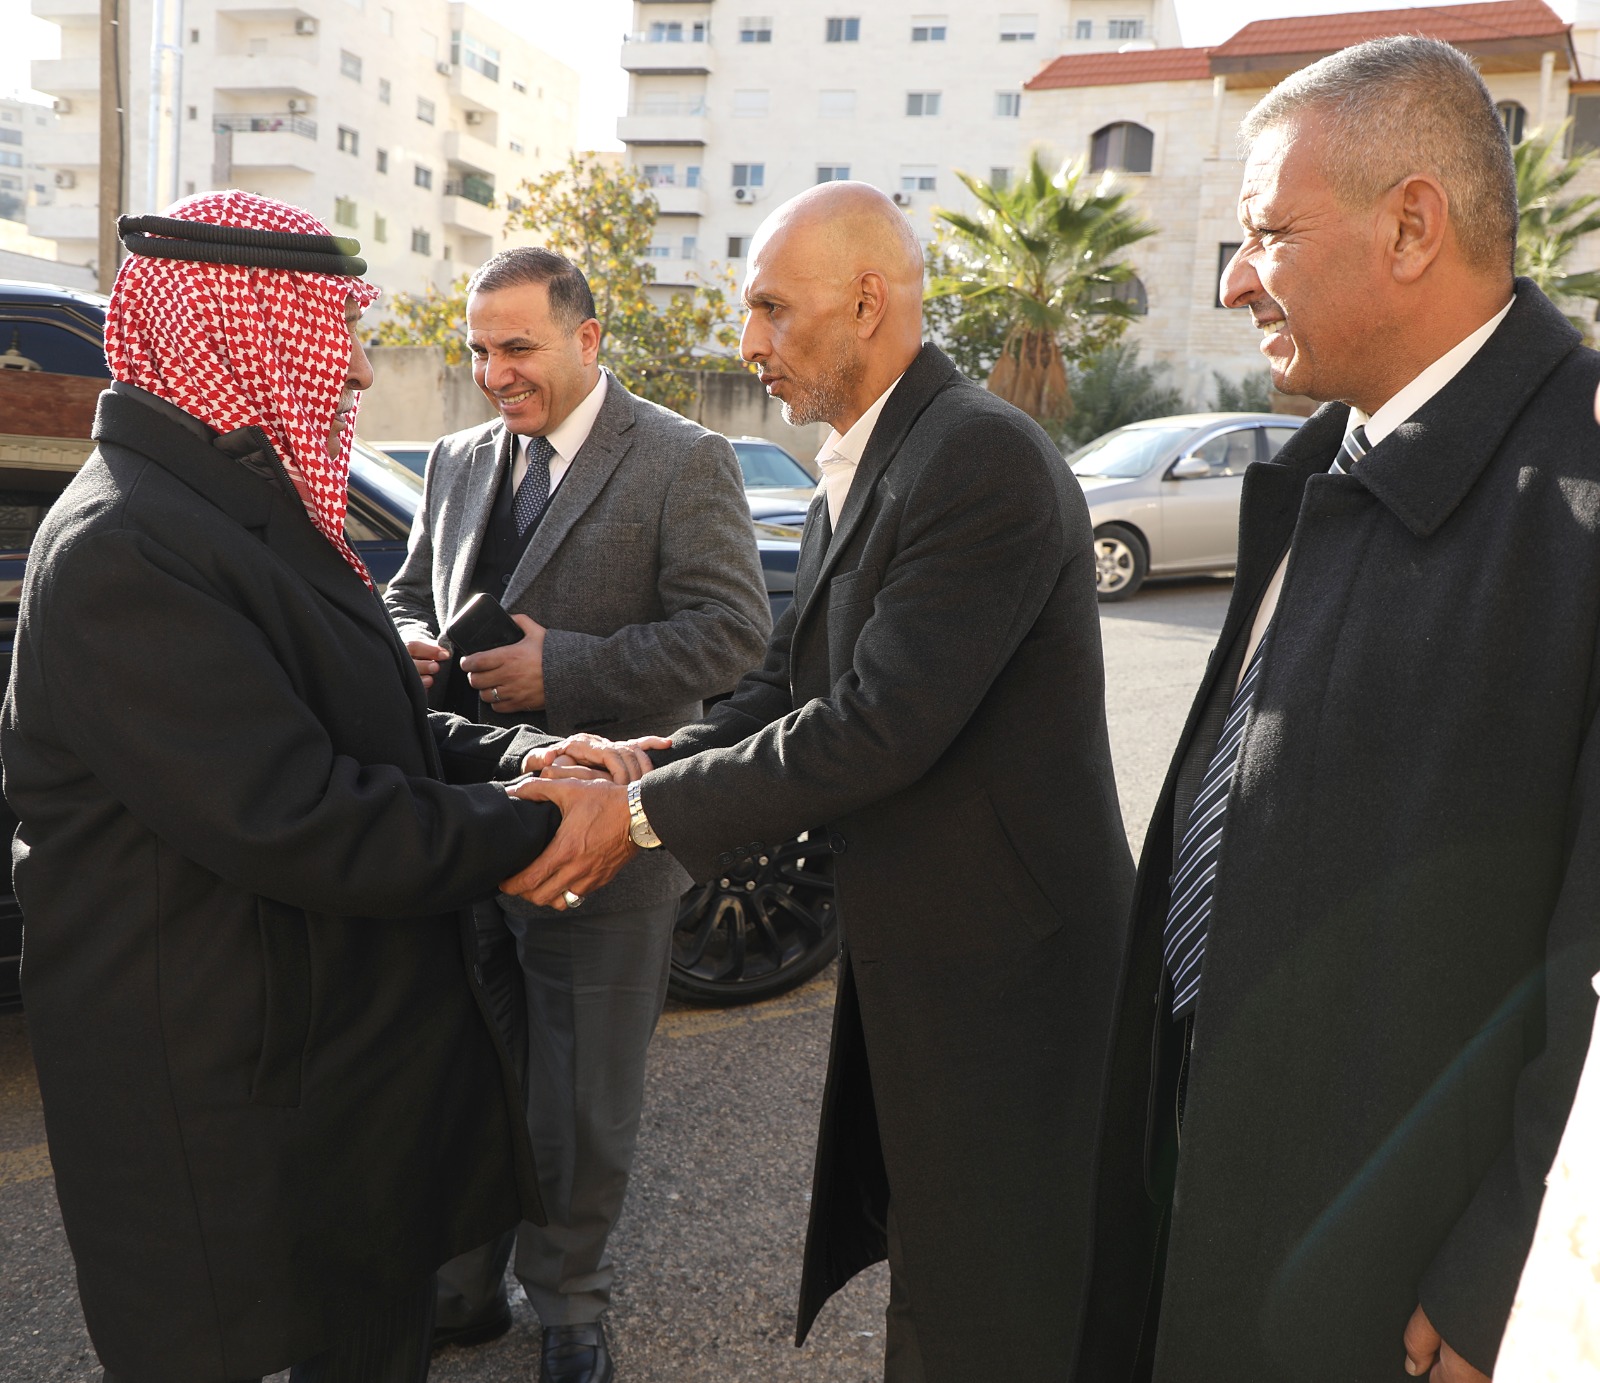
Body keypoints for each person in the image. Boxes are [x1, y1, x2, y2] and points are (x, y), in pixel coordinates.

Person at [496, 181, 1135, 1382]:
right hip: (929, 956)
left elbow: (877, 725)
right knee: (938, 1270)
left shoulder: (978, 455)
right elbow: (788, 688)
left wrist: (634, 818)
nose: (748, 342)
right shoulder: (874, 456)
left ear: (867, 302)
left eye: (772, 309)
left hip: (1009, 980)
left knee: (994, 1304)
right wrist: (647, 758)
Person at [1072, 36, 1600, 1383]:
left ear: (1411, 226)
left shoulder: (1579, 500)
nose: (1233, 278)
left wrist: (1509, 1258)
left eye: (1267, 235)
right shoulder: (1323, 459)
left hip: (1392, 1289)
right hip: (1220, 1197)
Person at [0, 191, 573, 1383]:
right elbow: (299, 814)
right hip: (223, 1092)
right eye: (333, 332)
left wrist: (522, 760)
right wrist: (539, 826)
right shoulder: (127, 546)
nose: (355, 370)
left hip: (323, 1071)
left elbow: (362, 724)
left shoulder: (233, 509)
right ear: (229, 332)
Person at [384, 246, 770, 1383]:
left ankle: (570, 1309)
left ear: (587, 338)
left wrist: (567, 668)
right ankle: (463, 1292)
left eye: (517, 347)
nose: (492, 372)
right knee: (467, 1074)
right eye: (477, 351)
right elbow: (408, 588)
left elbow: (732, 634)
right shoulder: (456, 458)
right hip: (466, 826)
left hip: (605, 841)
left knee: (582, 1101)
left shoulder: (683, 457)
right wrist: (408, 640)